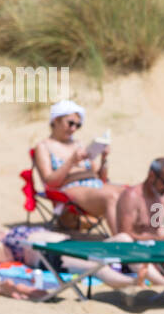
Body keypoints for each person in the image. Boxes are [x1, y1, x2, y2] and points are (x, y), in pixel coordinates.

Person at [33, 100, 126, 235]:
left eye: (78, 125)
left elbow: (102, 178)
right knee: (111, 197)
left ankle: (149, 235)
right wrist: (71, 161)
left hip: (95, 184)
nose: (73, 129)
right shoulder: (44, 146)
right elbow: (50, 182)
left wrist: (104, 158)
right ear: (56, 121)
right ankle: (122, 242)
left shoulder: (78, 144)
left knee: (129, 194)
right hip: (70, 188)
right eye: (70, 123)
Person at [0, 225, 164, 289]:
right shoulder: (1, 244)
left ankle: (161, 281)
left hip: (71, 243)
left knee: (124, 240)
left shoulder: (12, 232)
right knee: (97, 267)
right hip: (51, 254)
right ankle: (134, 283)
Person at [117, 158, 164, 240]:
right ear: (151, 176)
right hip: (131, 248)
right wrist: (155, 239)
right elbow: (125, 233)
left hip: (153, 248)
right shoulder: (132, 197)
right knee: (124, 238)